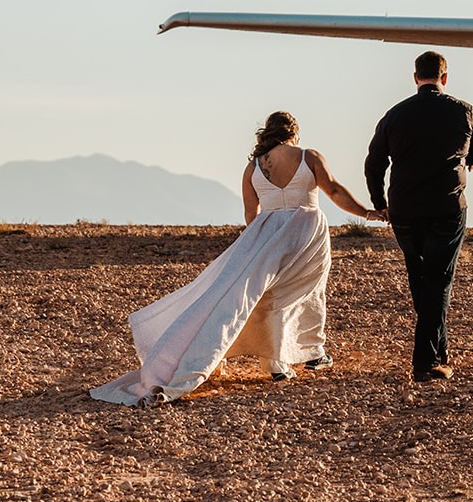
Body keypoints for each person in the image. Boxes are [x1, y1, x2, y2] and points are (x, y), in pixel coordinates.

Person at [91, 112, 382, 407]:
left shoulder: (253, 167)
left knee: (259, 294)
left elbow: (250, 213)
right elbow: (333, 189)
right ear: (294, 133)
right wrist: (368, 213)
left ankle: (280, 359)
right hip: (305, 230)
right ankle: (308, 353)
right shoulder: (309, 156)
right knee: (303, 290)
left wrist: (258, 244)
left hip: (265, 233)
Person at [365, 51, 473, 382]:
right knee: (438, 279)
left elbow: (374, 162)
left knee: (421, 278)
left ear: (415, 77)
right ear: (445, 77)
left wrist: (380, 202)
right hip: (447, 207)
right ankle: (425, 362)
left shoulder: (395, 115)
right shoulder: (463, 111)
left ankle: (440, 351)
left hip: (404, 210)